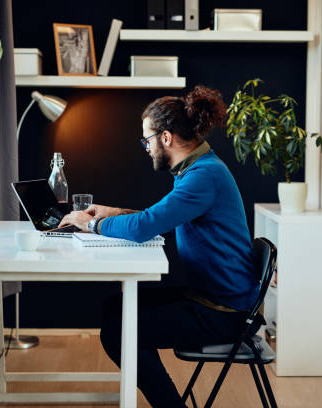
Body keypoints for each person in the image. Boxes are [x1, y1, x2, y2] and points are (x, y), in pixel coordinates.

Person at [58, 85, 260, 408]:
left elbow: (146, 226)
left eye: (147, 140)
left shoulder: (202, 176)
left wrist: (91, 224)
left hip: (221, 311)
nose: (146, 148)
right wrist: (114, 212)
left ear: (165, 138)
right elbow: (157, 217)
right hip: (209, 296)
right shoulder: (197, 169)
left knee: (118, 331)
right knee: (116, 308)